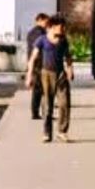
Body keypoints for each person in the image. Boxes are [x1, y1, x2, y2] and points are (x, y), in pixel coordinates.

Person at [24, 14, 74, 143]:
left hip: (61, 75)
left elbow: (68, 57)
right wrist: (29, 76)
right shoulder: (42, 40)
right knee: (48, 104)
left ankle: (62, 131)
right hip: (46, 74)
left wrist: (70, 70)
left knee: (64, 103)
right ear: (52, 27)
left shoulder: (63, 40)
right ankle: (47, 132)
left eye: (64, 27)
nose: (63, 29)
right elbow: (33, 59)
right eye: (60, 27)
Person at [25, 13, 49, 120]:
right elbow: (41, 49)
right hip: (40, 63)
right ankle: (39, 112)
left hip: (34, 62)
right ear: (40, 20)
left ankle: (36, 112)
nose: (47, 24)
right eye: (46, 21)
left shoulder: (30, 33)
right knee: (41, 89)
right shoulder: (41, 33)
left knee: (38, 89)